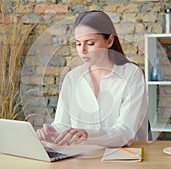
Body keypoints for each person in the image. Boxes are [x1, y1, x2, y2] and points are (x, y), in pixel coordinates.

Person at [36, 10, 148, 147]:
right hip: (81, 158)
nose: (82, 50)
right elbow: (62, 125)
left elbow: (125, 132)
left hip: (123, 158)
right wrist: (52, 133)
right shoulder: (72, 78)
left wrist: (87, 135)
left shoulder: (131, 74)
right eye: (78, 43)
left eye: (90, 43)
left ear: (110, 41)